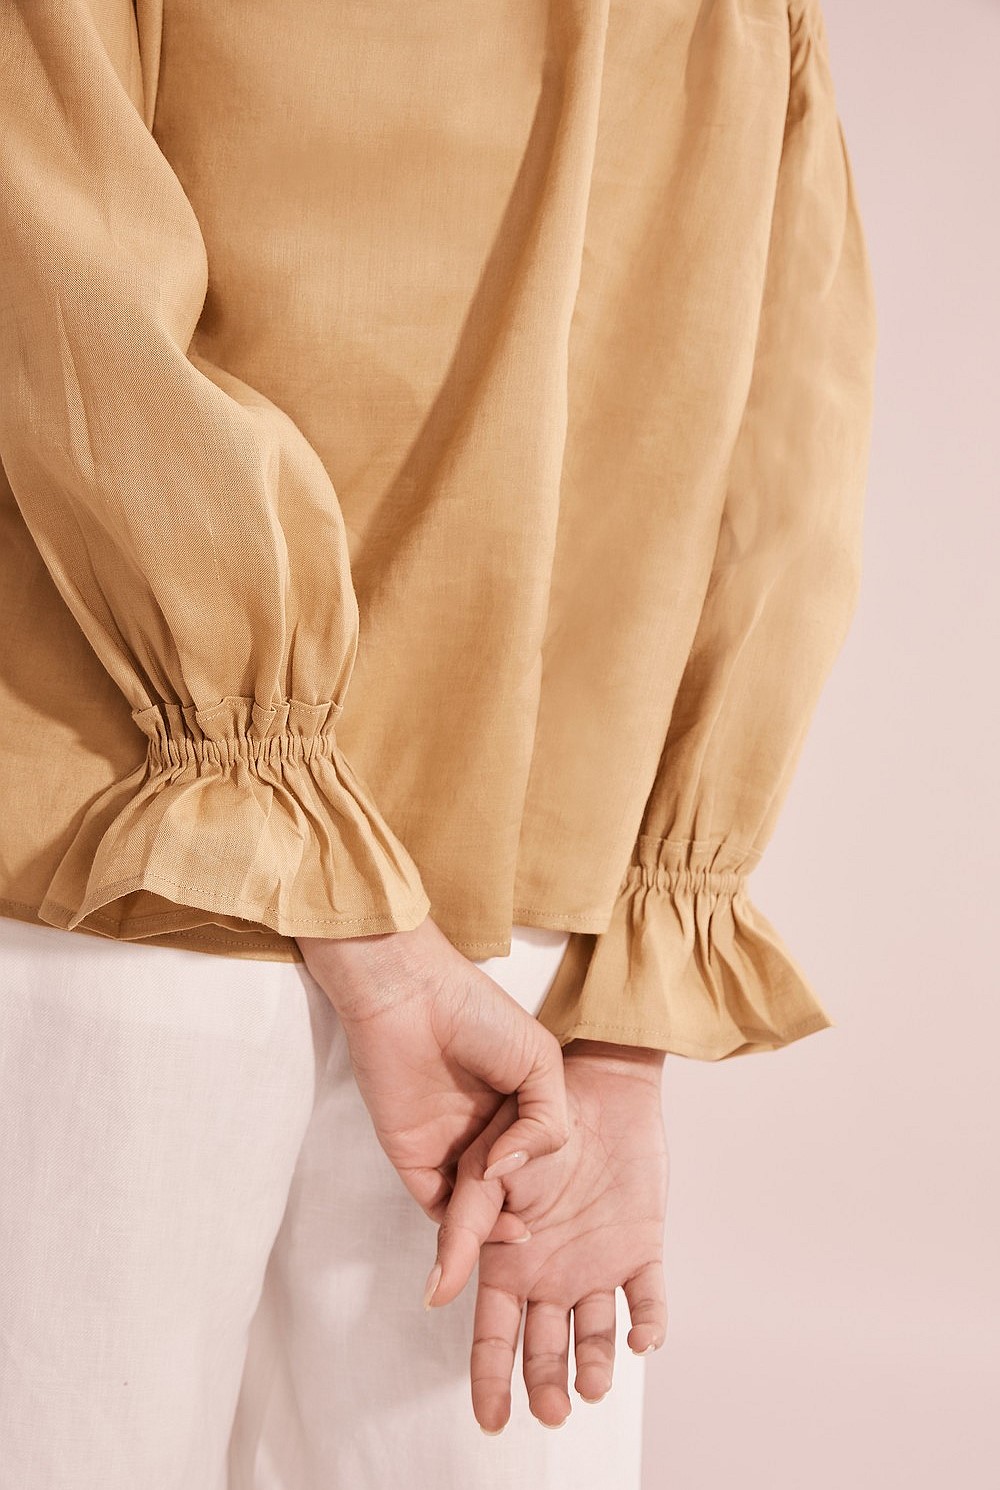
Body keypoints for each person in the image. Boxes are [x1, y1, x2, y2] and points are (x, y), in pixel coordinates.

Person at [0, 1, 877, 1486]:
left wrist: (599, 1024)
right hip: (512, 988)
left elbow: (62, 296)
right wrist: (627, 1012)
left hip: (127, 873)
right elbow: (783, 485)